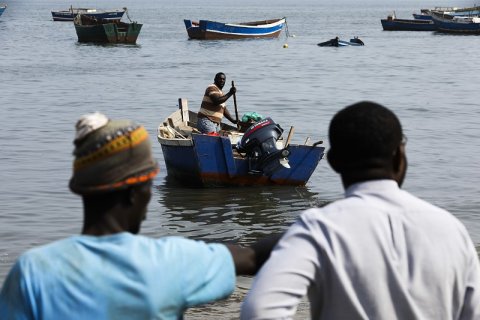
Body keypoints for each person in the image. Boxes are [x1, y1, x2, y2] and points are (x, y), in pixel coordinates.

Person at [0, 112, 278, 320]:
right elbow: (253, 256)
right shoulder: (173, 261)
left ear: (81, 189)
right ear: (140, 191)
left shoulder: (32, 272)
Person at [241, 101, 480, 319]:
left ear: (333, 162)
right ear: (400, 156)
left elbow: (260, 309)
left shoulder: (319, 227)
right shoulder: (450, 229)